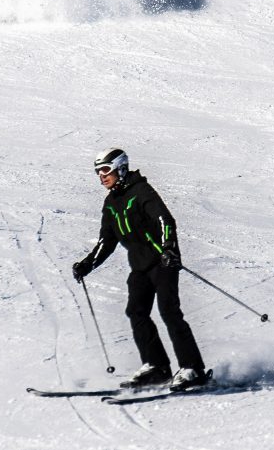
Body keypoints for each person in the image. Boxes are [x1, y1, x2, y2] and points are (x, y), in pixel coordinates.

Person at [71, 148, 209, 391]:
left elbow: (165, 220)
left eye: (105, 170)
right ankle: (157, 367)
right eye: (98, 172)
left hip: (162, 261)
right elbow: (107, 240)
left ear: (120, 168)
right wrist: (88, 264)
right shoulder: (111, 202)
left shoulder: (141, 191)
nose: (102, 176)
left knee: (169, 311)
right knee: (136, 311)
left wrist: (169, 249)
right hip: (140, 266)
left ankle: (192, 368)